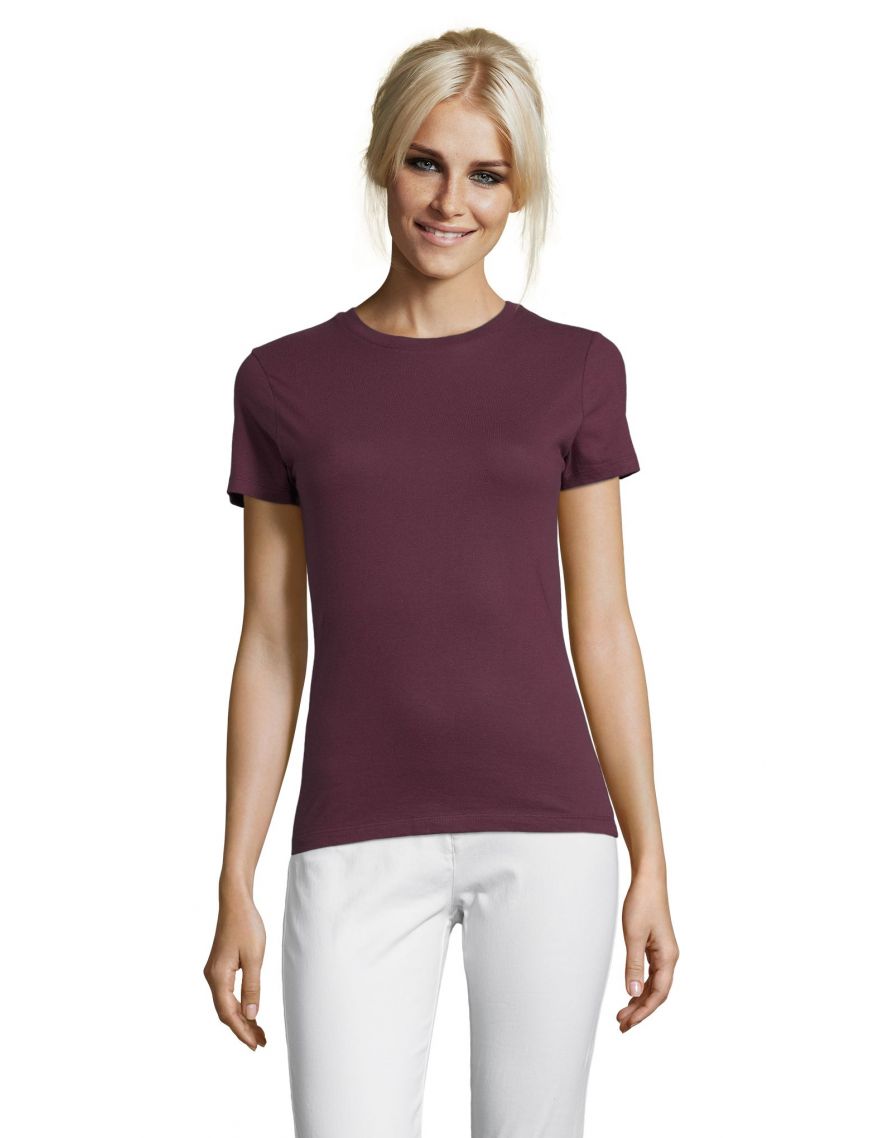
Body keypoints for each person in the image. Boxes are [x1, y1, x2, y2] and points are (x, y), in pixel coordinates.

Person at [204, 26, 679, 1138]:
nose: (449, 201)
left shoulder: (576, 369)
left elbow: (603, 624)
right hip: (353, 829)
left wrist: (651, 857)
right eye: (426, 162)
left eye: (486, 174)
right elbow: (270, 642)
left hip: (548, 832)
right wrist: (234, 876)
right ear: (383, 158)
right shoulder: (282, 382)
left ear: (520, 190)